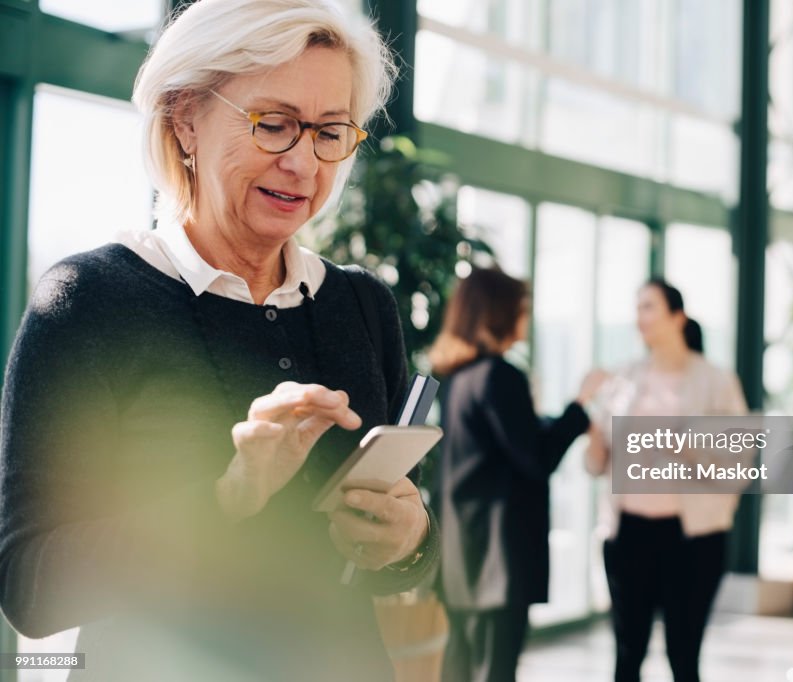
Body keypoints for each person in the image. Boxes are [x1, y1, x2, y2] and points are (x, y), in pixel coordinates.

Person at [0, 2, 437, 680]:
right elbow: (29, 588)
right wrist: (228, 495)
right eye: (274, 124)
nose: (302, 162)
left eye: (328, 131)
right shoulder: (89, 300)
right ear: (184, 118)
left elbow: (387, 560)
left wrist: (409, 539)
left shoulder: (361, 303)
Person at [428, 268, 605, 682]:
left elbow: (502, 448)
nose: (526, 317)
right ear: (500, 313)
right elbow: (536, 458)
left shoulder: (458, 378)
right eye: (521, 308)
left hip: (462, 554)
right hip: (496, 558)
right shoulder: (500, 375)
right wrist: (579, 406)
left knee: (460, 664)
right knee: (494, 670)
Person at [585, 279, 748, 682]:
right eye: (637, 307)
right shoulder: (622, 380)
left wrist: (685, 447)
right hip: (628, 535)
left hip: (692, 539)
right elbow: (595, 465)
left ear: (678, 317)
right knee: (627, 654)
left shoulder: (715, 381)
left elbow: (739, 465)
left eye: (649, 307)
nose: (639, 317)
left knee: (683, 655)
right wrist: (589, 429)